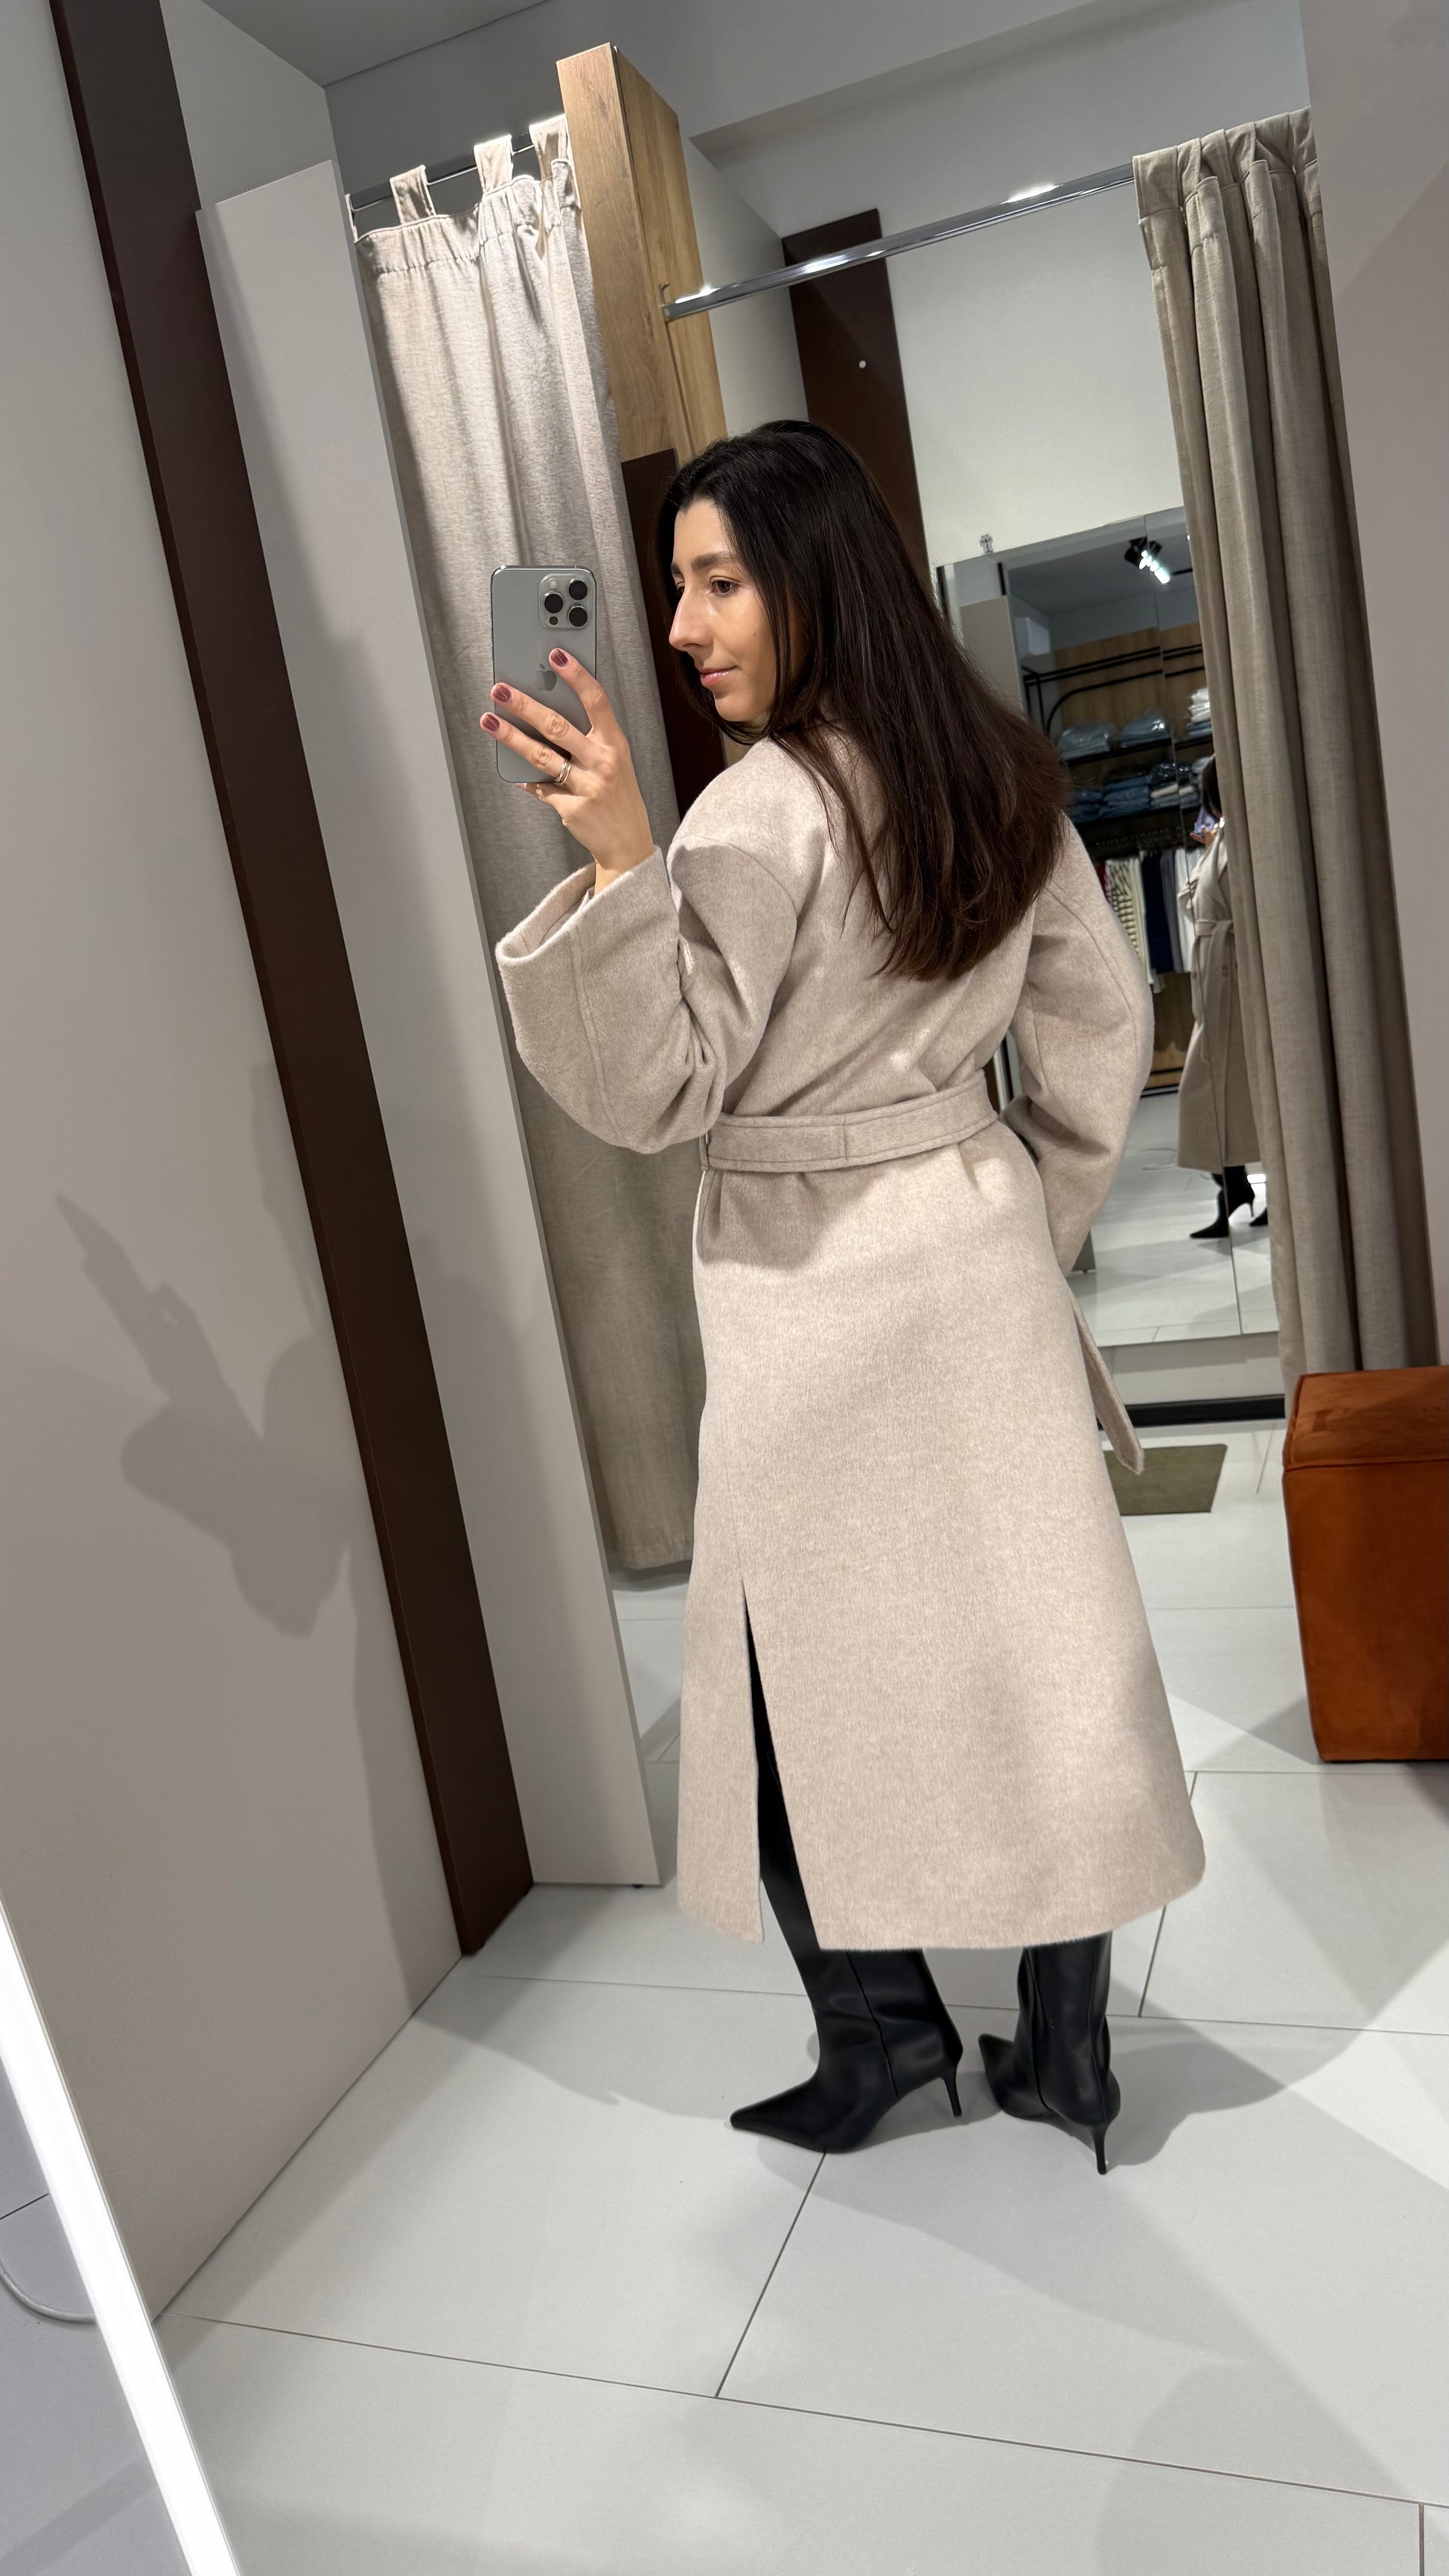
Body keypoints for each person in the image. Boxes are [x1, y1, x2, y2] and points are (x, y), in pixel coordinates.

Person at [488, 422, 1203, 2175]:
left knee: (775, 1684)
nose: (680, 627)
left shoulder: (756, 811)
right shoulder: (990, 771)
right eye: (675, 587)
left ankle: (881, 2032)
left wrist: (620, 864)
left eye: (718, 582)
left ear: (814, 580)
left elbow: (656, 1086)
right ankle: (1067, 2049)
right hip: (972, 1252)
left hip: (809, 1288)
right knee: (1038, 1654)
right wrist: (1019, 1213)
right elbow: (1102, 1020)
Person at [1177, 758, 1267, 1237]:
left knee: (1235, 1093)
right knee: (1212, 1094)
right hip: (1219, 981)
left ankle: (1239, 1189)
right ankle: (1233, 1187)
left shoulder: (1250, 836)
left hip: (1238, 980)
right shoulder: (1226, 837)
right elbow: (1191, 902)